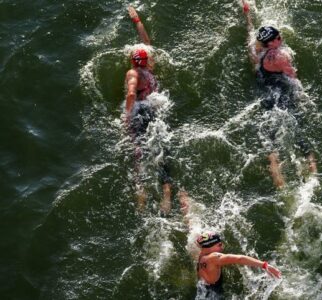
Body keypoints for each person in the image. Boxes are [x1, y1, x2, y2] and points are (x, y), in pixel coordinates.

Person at [242, 1, 317, 188]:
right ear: (272, 43)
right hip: (280, 90)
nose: (280, 36)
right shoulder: (282, 57)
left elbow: (249, 31)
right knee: (298, 129)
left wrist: (247, 14)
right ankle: (313, 170)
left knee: (271, 135)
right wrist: (303, 96)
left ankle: (277, 175)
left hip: (263, 87)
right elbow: (293, 78)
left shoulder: (255, 48)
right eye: (278, 36)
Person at [178, 192, 282, 298]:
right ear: (210, 246)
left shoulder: (200, 254)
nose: (222, 246)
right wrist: (265, 265)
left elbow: (191, 226)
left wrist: (184, 204)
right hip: (213, 295)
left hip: (202, 290)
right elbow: (239, 259)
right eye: (219, 244)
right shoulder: (214, 258)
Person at [125, 6, 172, 213]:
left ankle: (141, 199)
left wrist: (127, 114)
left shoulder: (133, 73)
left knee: (139, 155)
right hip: (156, 107)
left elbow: (131, 94)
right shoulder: (150, 69)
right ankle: (167, 195)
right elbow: (147, 43)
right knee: (161, 150)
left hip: (140, 112)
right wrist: (137, 20)